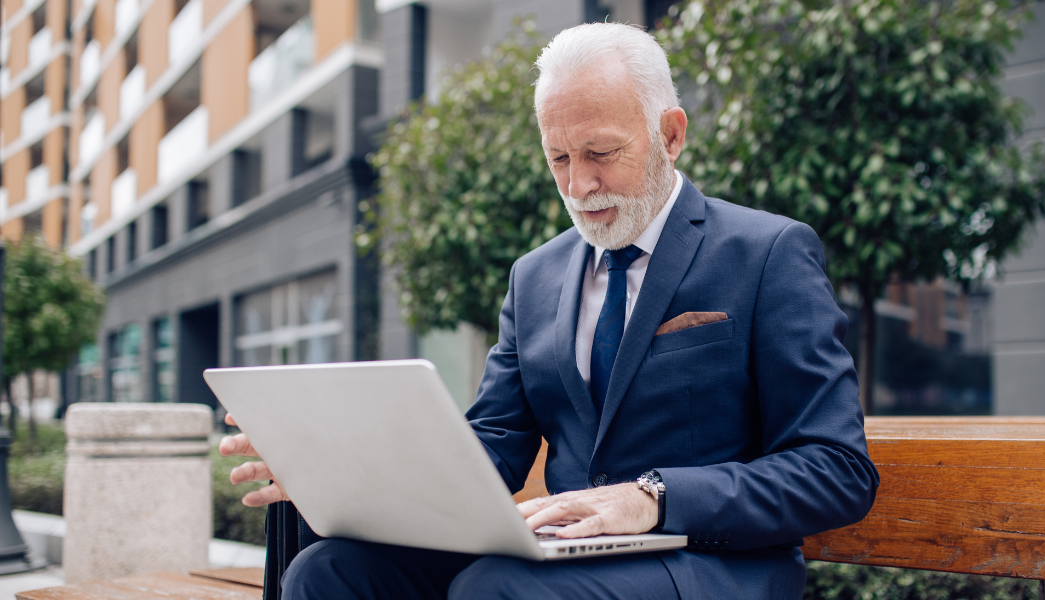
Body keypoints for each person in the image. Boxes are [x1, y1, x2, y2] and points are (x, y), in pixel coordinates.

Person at [221, 22, 879, 600]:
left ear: (670, 135)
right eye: (558, 158)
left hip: (709, 565)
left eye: (600, 153)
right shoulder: (534, 277)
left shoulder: (767, 254)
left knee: (497, 588)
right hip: (562, 560)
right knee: (328, 572)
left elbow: (836, 469)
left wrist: (652, 498)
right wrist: (333, 463)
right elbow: (491, 454)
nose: (578, 185)